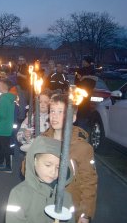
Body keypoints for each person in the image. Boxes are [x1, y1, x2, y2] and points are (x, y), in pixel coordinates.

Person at [42, 93, 97, 222]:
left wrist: (85, 213)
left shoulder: (82, 148)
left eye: (60, 112)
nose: (54, 115)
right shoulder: (43, 140)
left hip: (69, 208)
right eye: (52, 111)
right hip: (43, 203)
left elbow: (89, 182)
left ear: (72, 117)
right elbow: (27, 170)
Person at [6, 136, 75, 223]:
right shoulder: (19, 194)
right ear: (35, 161)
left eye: (58, 167)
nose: (53, 172)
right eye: (48, 165)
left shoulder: (66, 197)